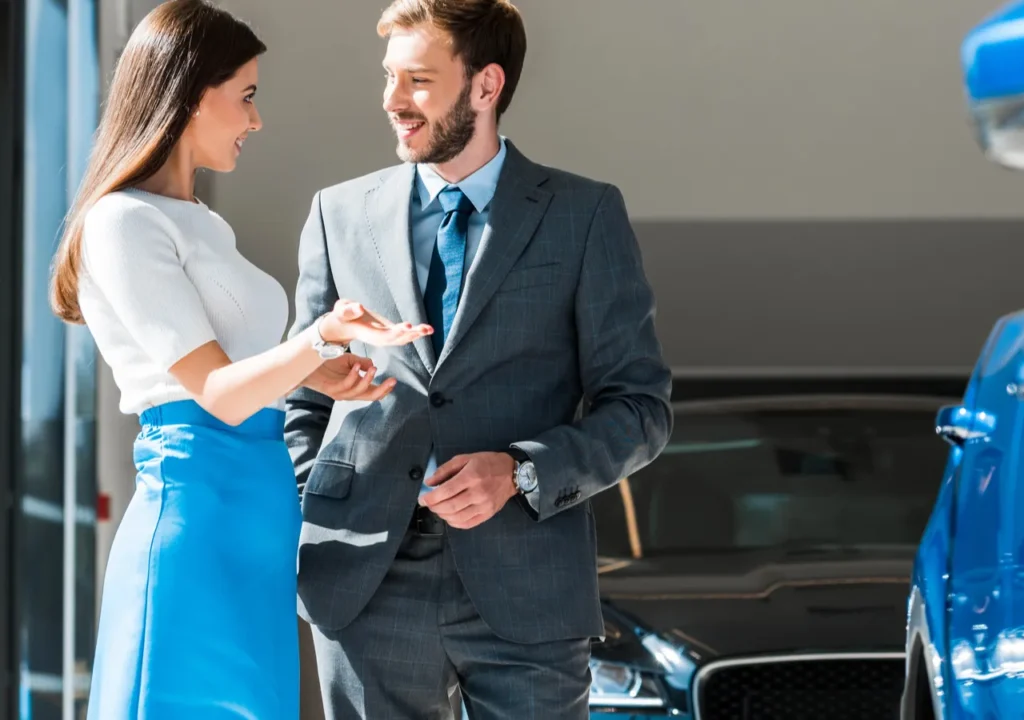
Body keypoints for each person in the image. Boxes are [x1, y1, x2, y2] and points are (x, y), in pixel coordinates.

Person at [287, 0, 674, 717]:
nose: (392, 102)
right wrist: (327, 498)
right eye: (389, 79)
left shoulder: (583, 216)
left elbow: (640, 410)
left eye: (418, 82)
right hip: (366, 580)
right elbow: (302, 398)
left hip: (527, 583)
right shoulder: (338, 214)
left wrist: (522, 470)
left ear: (486, 86)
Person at [48, 2, 432, 717]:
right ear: (192, 92)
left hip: (257, 528)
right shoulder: (122, 222)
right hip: (196, 521)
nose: (256, 121)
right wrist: (318, 337)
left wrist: (318, 372)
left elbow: (238, 373)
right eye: (246, 96)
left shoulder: (204, 223)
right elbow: (215, 395)